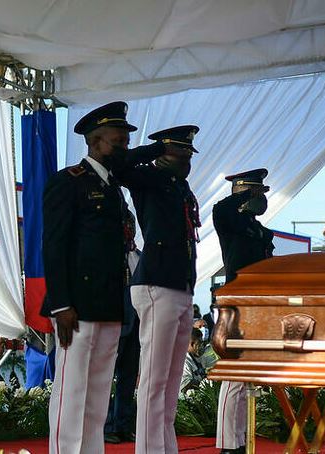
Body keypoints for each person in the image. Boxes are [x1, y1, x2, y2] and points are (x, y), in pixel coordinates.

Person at [41, 101, 163, 454]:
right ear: (95, 142)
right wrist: (61, 303)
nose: (123, 149)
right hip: (76, 307)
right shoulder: (68, 182)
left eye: (125, 143)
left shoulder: (113, 188)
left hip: (111, 304)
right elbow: (53, 246)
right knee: (71, 393)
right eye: (117, 142)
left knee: (97, 396)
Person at [118, 125, 201, 454]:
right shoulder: (148, 178)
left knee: (169, 383)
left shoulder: (181, 187)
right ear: (165, 153)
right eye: (180, 153)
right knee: (153, 380)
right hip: (156, 284)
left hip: (181, 286)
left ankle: (164, 448)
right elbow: (120, 166)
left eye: (188, 154)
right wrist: (154, 150)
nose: (186, 161)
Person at [212, 168, 275, 454]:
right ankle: (227, 443)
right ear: (243, 192)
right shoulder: (230, 220)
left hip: (257, 305)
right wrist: (243, 196)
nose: (262, 199)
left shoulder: (260, 230)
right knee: (234, 373)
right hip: (236, 303)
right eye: (257, 192)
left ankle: (239, 439)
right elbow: (220, 209)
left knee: (247, 376)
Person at [104, 250, 142, 444]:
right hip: (116, 323)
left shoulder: (139, 255)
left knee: (128, 378)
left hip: (136, 326)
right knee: (107, 378)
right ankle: (107, 425)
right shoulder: (110, 254)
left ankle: (123, 426)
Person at [180, 329, 207, 396]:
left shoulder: (199, 357)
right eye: (199, 343)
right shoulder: (183, 361)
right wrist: (203, 383)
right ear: (192, 344)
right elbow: (185, 384)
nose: (201, 346)